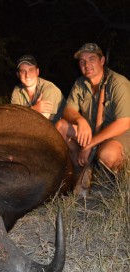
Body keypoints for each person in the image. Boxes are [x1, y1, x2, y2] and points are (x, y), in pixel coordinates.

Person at [55, 43, 130, 174]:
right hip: (92, 133)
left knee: (108, 155)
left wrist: (90, 145)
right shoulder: (79, 83)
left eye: (91, 59)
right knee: (61, 126)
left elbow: (124, 123)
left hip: (117, 135)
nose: (86, 65)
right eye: (82, 61)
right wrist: (80, 121)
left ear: (102, 61)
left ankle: (120, 176)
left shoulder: (118, 83)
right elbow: (68, 110)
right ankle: (79, 170)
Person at [11, 54, 66, 124]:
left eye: (31, 70)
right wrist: (34, 109)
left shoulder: (49, 89)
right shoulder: (17, 90)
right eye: (23, 71)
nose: (27, 75)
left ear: (37, 72)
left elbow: (40, 124)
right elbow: (13, 118)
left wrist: (23, 114)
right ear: (18, 75)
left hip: (56, 131)